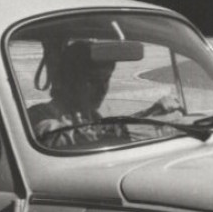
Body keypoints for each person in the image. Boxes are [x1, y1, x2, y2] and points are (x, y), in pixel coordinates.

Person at [30, 40, 172, 147]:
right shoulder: (39, 116)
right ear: (69, 81)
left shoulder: (89, 115)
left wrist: (149, 113)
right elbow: (74, 138)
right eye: (92, 81)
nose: (102, 89)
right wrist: (136, 128)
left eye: (106, 80)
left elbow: (103, 128)